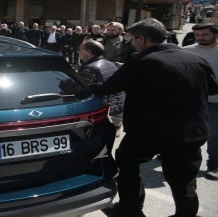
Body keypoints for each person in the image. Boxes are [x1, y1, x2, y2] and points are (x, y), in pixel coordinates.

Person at [90, 18, 218, 217]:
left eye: (132, 39)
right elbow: (212, 89)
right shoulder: (196, 58)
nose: (131, 42)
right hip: (191, 132)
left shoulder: (143, 61)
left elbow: (108, 88)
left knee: (126, 163)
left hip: (150, 132)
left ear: (142, 39)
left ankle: (129, 210)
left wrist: (76, 88)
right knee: (184, 181)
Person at [183, 22, 218, 180]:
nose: (200, 38)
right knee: (183, 131)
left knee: (214, 135)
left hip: (215, 102)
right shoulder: (186, 52)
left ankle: (214, 165)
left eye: (204, 35)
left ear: (215, 35)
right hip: (190, 99)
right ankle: (178, 159)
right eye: (197, 35)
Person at [76, 40, 125, 137]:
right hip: (117, 107)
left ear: (88, 52)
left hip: (104, 110)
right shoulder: (110, 63)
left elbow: (82, 91)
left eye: (79, 49)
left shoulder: (89, 68)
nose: (77, 51)